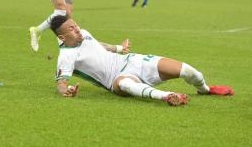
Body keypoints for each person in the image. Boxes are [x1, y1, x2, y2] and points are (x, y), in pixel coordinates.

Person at [50, 15, 234, 105]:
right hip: (115, 80)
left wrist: (119, 48)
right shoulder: (66, 56)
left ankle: (206, 90)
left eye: (77, 25)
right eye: (72, 29)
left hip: (132, 61)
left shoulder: (84, 34)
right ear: (63, 38)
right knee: (126, 85)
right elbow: (61, 83)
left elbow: (98, 45)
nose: (78, 30)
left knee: (190, 72)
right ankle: (168, 97)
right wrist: (67, 90)